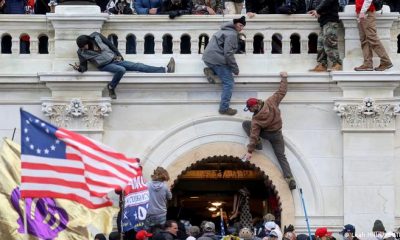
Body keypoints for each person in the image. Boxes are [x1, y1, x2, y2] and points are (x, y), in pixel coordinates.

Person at [73, 32, 175, 99]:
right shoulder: (81, 52)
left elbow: (110, 45)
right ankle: (111, 87)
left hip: (115, 59)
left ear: (88, 41)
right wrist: (79, 68)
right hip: (104, 66)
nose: (84, 48)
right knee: (121, 70)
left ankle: (164, 69)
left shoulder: (97, 36)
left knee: (138, 66)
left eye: (84, 46)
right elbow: (84, 67)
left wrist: (119, 55)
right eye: (82, 47)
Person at [242, 72, 296, 190]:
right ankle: (290, 178)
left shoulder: (256, 120)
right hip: (277, 134)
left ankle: (259, 145)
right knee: (281, 156)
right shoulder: (271, 102)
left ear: (254, 106)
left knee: (246, 124)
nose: (250, 111)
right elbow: (282, 92)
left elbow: (254, 135)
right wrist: (284, 78)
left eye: (250, 108)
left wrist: (250, 151)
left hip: (266, 134)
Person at [202, 16, 246, 116]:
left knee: (223, 70)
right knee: (229, 82)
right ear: (235, 24)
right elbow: (228, 53)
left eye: (243, 26)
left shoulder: (224, 30)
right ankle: (224, 108)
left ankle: (210, 70)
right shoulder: (231, 34)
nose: (241, 28)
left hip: (208, 58)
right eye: (240, 25)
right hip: (216, 59)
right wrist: (235, 69)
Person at [353, 0, 393, 71]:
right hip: (362, 11)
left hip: (366, 12)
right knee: (364, 39)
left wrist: (362, 12)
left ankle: (386, 61)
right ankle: (367, 64)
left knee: (372, 38)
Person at [308, 0, 342, 72]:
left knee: (330, 43)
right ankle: (322, 65)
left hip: (330, 21)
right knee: (320, 45)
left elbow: (326, 2)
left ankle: (337, 64)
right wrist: (317, 11)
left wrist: (317, 10)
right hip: (324, 22)